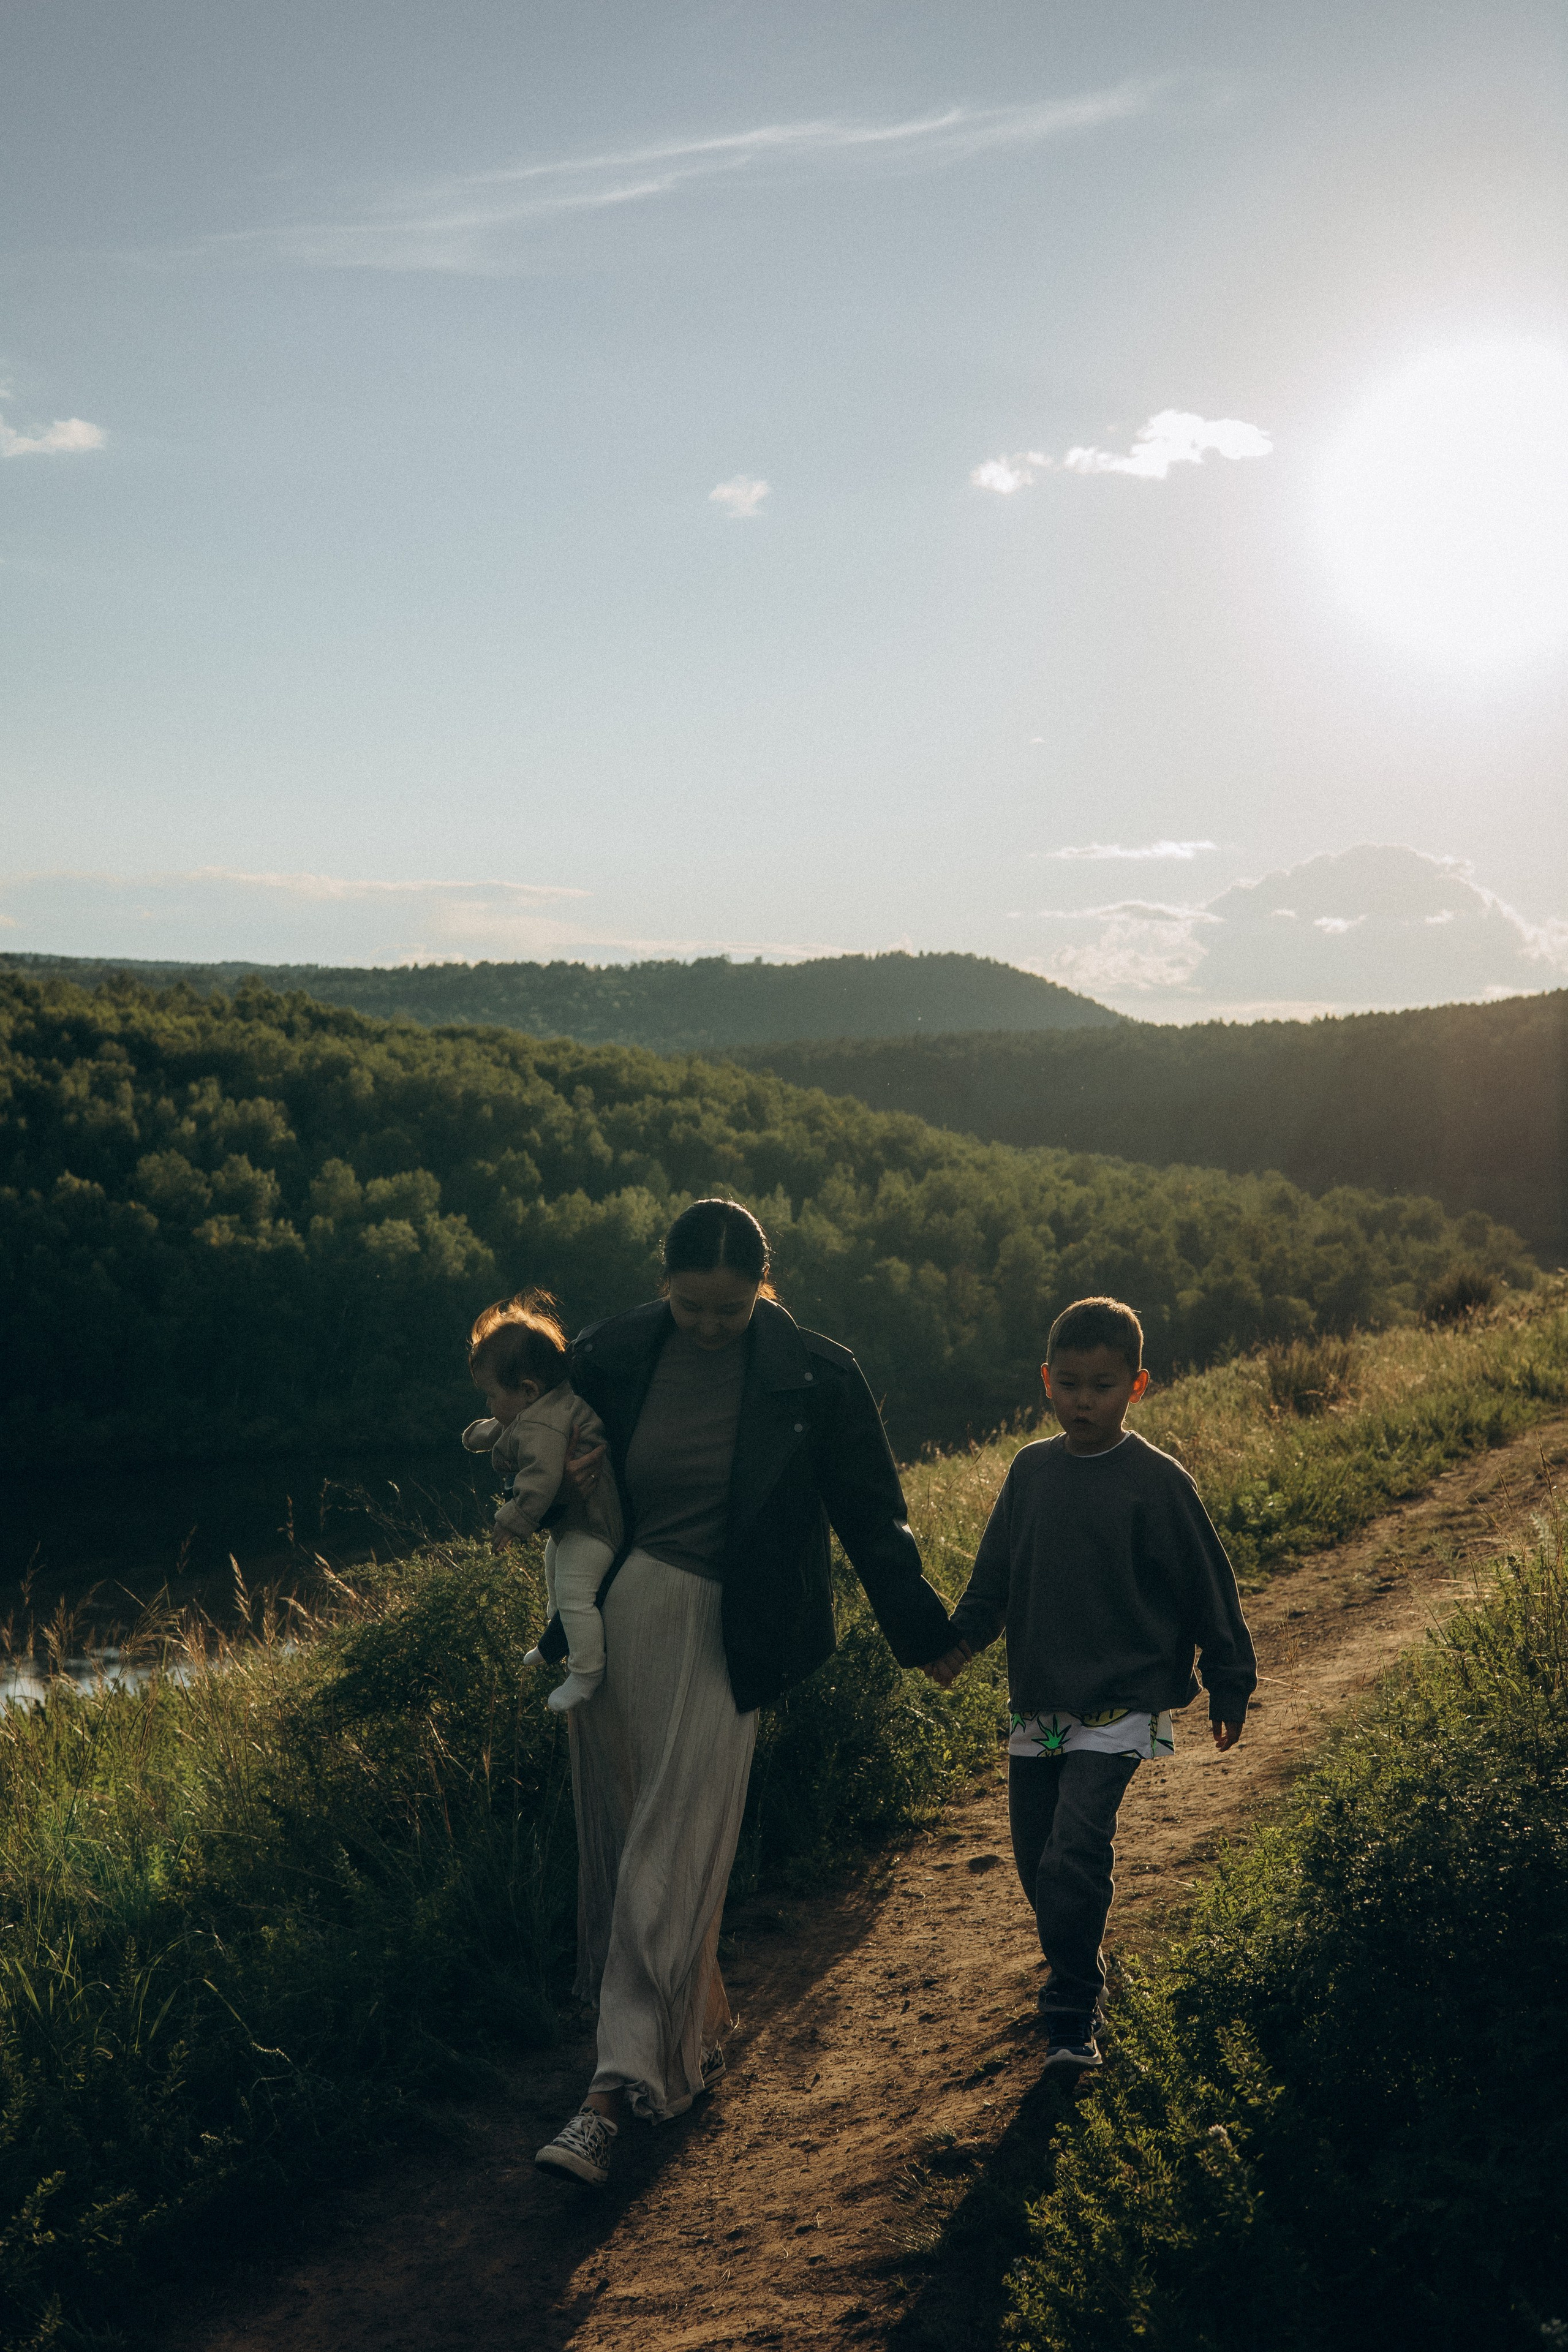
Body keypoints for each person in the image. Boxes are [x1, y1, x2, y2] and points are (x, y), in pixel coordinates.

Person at [532, 1197, 953, 2185]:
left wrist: (921, 1632)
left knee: (673, 1847)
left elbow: (871, 1514)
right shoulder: (609, 1353)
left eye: (731, 1309)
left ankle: (611, 2096)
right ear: (664, 1285)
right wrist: (562, 1484)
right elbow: (535, 1469)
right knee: (631, 1835)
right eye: (693, 1309)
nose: (713, 1327)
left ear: (764, 1285)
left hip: (736, 1632)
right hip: (617, 1618)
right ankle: (696, 2024)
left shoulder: (815, 1374)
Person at [924, 1295, 1256, 2074]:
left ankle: (1071, 2007)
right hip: (1039, 1705)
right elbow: (994, 1578)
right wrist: (960, 1642)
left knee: (1075, 1848)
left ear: (1136, 1386)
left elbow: (1210, 1585)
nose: (1083, 1400)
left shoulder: (1156, 1482)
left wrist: (1229, 1681)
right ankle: (1084, 1960)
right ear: (1046, 1381)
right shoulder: (1031, 1471)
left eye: (1101, 1385)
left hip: (1121, 1704)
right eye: (1069, 1383)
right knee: (1036, 1855)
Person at [461, 1290, 624, 1713]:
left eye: (492, 1396)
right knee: (554, 1565)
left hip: (596, 1524)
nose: (490, 1405)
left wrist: (512, 1520)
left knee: (574, 1591)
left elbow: (541, 1476)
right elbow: (505, 1428)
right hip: (578, 1521)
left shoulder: (547, 1427)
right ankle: (557, 1640)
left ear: (528, 1390)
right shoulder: (541, 1408)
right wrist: (479, 1433)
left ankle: (587, 1672)